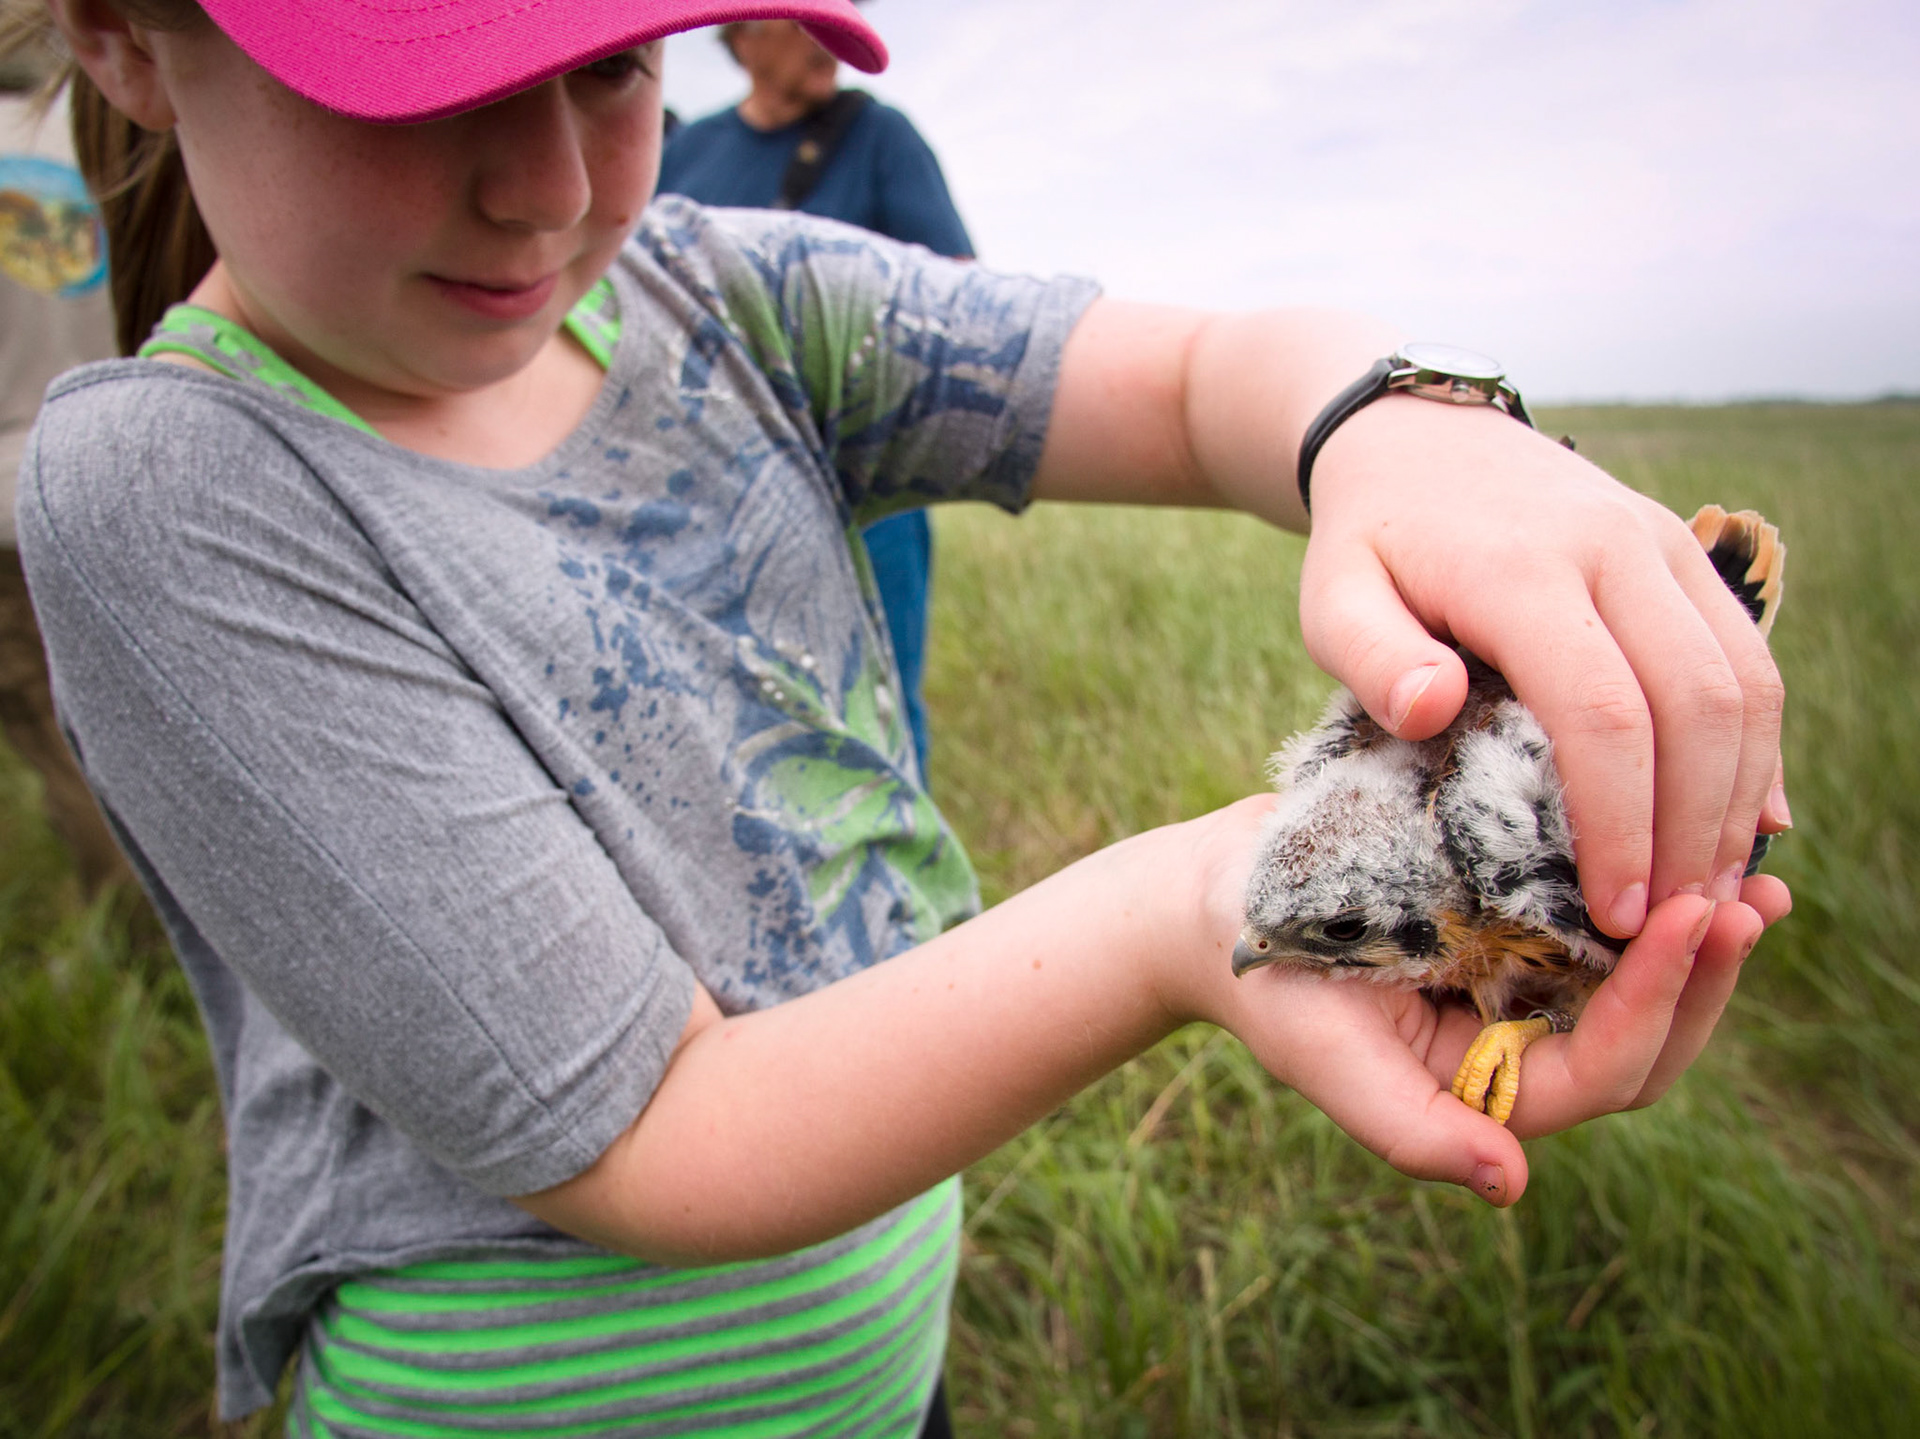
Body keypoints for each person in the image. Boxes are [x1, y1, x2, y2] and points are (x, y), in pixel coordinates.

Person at [6, 0, 1790, 1432]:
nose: (546, 185)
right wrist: (1195, 906)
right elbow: (650, 1129)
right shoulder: (163, 481)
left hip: (883, 1347)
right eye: (423, 66)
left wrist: (1398, 427)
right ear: (123, 37)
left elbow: (1184, 379)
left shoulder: (723, 294)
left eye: (613, 62)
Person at [659, 14, 974, 777]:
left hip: (864, 494)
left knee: (880, 710)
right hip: (709, 489)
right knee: (724, 719)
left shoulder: (880, 137)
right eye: (810, 19)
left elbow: (964, 304)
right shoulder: (687, 151)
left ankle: (917, 898)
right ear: (744, 33)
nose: (834, 37)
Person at [0, 64, 126, 896]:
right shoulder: (96, 132)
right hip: (119, 458)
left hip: (7, 498)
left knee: (52, 732)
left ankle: (146, 955)